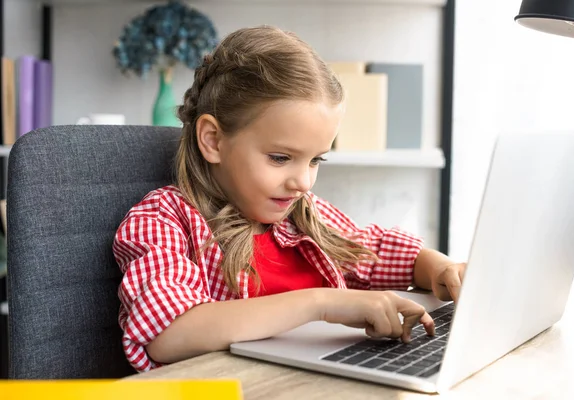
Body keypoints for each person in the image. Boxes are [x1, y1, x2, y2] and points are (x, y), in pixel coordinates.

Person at [113, 25, 466, 373]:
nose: (303, 182)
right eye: (280, 158)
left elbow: (378, 251)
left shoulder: (300, 214)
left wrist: (439, 267)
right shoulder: (164, 218)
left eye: (315, 160)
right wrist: (322, 303)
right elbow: (168, 333)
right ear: (213, 140)